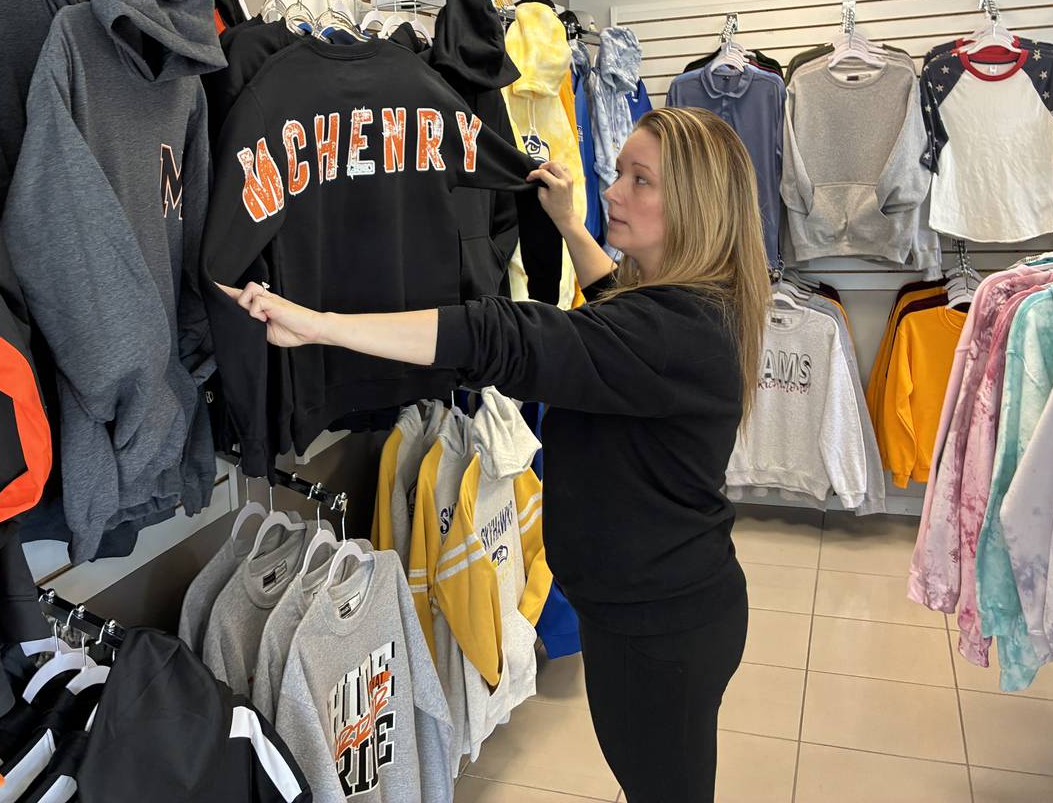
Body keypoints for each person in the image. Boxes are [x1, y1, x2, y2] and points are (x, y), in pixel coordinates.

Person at [223, 106, 768, 803]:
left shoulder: (673, 331)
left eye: (641, 180)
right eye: (619, 173)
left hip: (656, 631)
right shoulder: (690, 308)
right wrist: (570, 226)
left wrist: (322, 327)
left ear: (697, 205)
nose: (612, 191)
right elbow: (612, 305)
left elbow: (502, 336)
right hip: (660, 608)